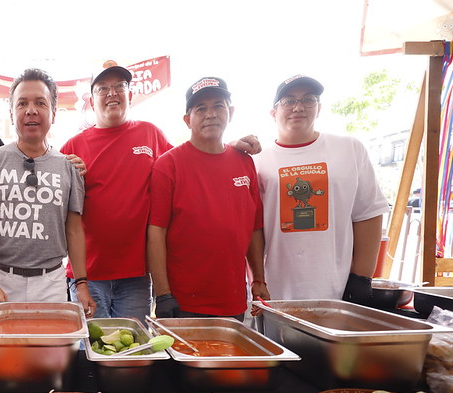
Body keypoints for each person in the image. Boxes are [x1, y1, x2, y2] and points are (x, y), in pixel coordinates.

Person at [62, 63, 263, 323]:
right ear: (91, 99)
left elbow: (195, 155)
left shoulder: (150, 134)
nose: (112, 93)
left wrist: (231, 146)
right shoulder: (72, 146)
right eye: (103, 89)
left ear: (130, 95)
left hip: (136, 274)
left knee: (133, 351)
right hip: (89, 275)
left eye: (119, 87)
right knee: (92, 348)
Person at [0, 67, 95, 316]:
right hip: (1, 279)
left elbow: (74, 230)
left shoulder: (69, 167)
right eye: (22, 103)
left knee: (50, 353)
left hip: (52, 283)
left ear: (54, 113)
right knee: (6, 355)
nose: (31, 110)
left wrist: (81, 283)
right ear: (12, 112)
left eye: (40, 103)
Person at [255, 75, 389, 303]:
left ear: (319, 108)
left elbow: (368, 214)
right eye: (288, 101)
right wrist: (257, 280)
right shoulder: (258, 161)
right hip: (275, 291)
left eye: (308, 99)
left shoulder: (349, 149)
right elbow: (252, 229)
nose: (298, 107)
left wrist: (361, 277)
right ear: (273, 112)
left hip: (336, 290)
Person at [147, 77, 268, 320]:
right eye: (200, 108)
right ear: (187, 119)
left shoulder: (245, 162)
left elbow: (255, 227)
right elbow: (155, 232)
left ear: (230, 112)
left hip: (233, 300)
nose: (210, 114)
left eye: (218, 105)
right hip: (183, 301)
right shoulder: (168, 165)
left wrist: (259, 279)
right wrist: (163, 294)